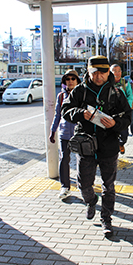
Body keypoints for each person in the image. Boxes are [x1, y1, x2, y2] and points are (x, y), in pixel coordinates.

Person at [61, 56, 132, 238]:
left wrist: (114, 123)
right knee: (84, 183)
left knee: (109, 185)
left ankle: (106, 219)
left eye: (103, 72)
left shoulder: (117, 93)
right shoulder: (80, 91)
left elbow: (127, 118)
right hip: (86, 145)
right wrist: (80, 114)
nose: (99, 76)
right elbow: (65, 110)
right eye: (95, 72)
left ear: (109, 72)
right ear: (89, 71)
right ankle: (91, 201)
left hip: (108, 146)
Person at [49, 69, 81, 199]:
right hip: (64, 133)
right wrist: (53, 131)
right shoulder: (61, 96)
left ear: (77, 80)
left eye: (73, 79)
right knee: (64, 159)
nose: (70, 81)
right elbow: (57, 114)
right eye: (68, 79)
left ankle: (83, 185)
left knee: (82, 160)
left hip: (79, 133)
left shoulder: (82, 94)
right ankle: (65, 186)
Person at [110, 64, 133, 154]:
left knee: (124, 134)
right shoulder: (107, 83)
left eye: (119, 71)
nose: (117, 73)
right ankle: (114, 149)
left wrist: (127, 108)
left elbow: (130, 96)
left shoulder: (125, 82)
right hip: (111, 112)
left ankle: (121, 143)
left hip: (122, 113)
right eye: (114, 71)